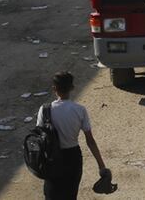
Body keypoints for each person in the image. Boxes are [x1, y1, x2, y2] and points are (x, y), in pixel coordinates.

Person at [36, 71, 108, 200]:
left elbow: (40, 137)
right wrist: (101, 166)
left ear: (54, 89)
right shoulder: (79, 110)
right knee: (70, 195)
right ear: (72, 88)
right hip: (73, 158)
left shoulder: (44, 110)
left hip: (52, 159)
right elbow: (90, 141)